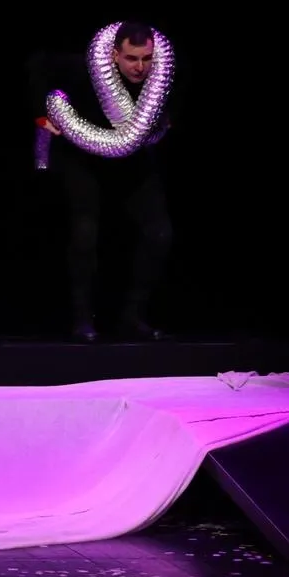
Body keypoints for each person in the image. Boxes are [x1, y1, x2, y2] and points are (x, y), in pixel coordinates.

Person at [28, 21, 176, 342]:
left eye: (146, 59)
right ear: (114, 54)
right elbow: (37, 65)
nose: (139, 67)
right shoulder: (80, 69)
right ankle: (83, 321)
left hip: (132, 160)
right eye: (131, 58)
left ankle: (132, 316)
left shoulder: (162, 75)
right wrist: (42, 114)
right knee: (84, 234)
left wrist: (163, 121)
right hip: (84, 159)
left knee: (160, 234)